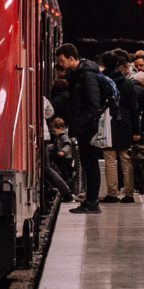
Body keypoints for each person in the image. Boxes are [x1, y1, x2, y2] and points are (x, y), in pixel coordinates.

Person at [56, 44, 104, 214]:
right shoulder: (78, 75)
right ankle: (89, 201)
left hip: (88, 128)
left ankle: (93, 202)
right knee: (87, 165)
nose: (60, 64)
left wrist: (79, 124)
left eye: (62, 60)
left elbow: (93, 105)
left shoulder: (87, 75)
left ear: (71, 58)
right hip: (84, 128)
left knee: (91, 165)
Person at [101, 54, 141, 203]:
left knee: (110, 161)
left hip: (107, 125)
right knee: (126, 161)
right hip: (125, 124)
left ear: (103, 63)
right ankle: (129, 194)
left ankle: (112, 194)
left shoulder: (101, 81)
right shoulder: (128, 83)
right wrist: (136, 131)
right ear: (118, 63)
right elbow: (134, 109)